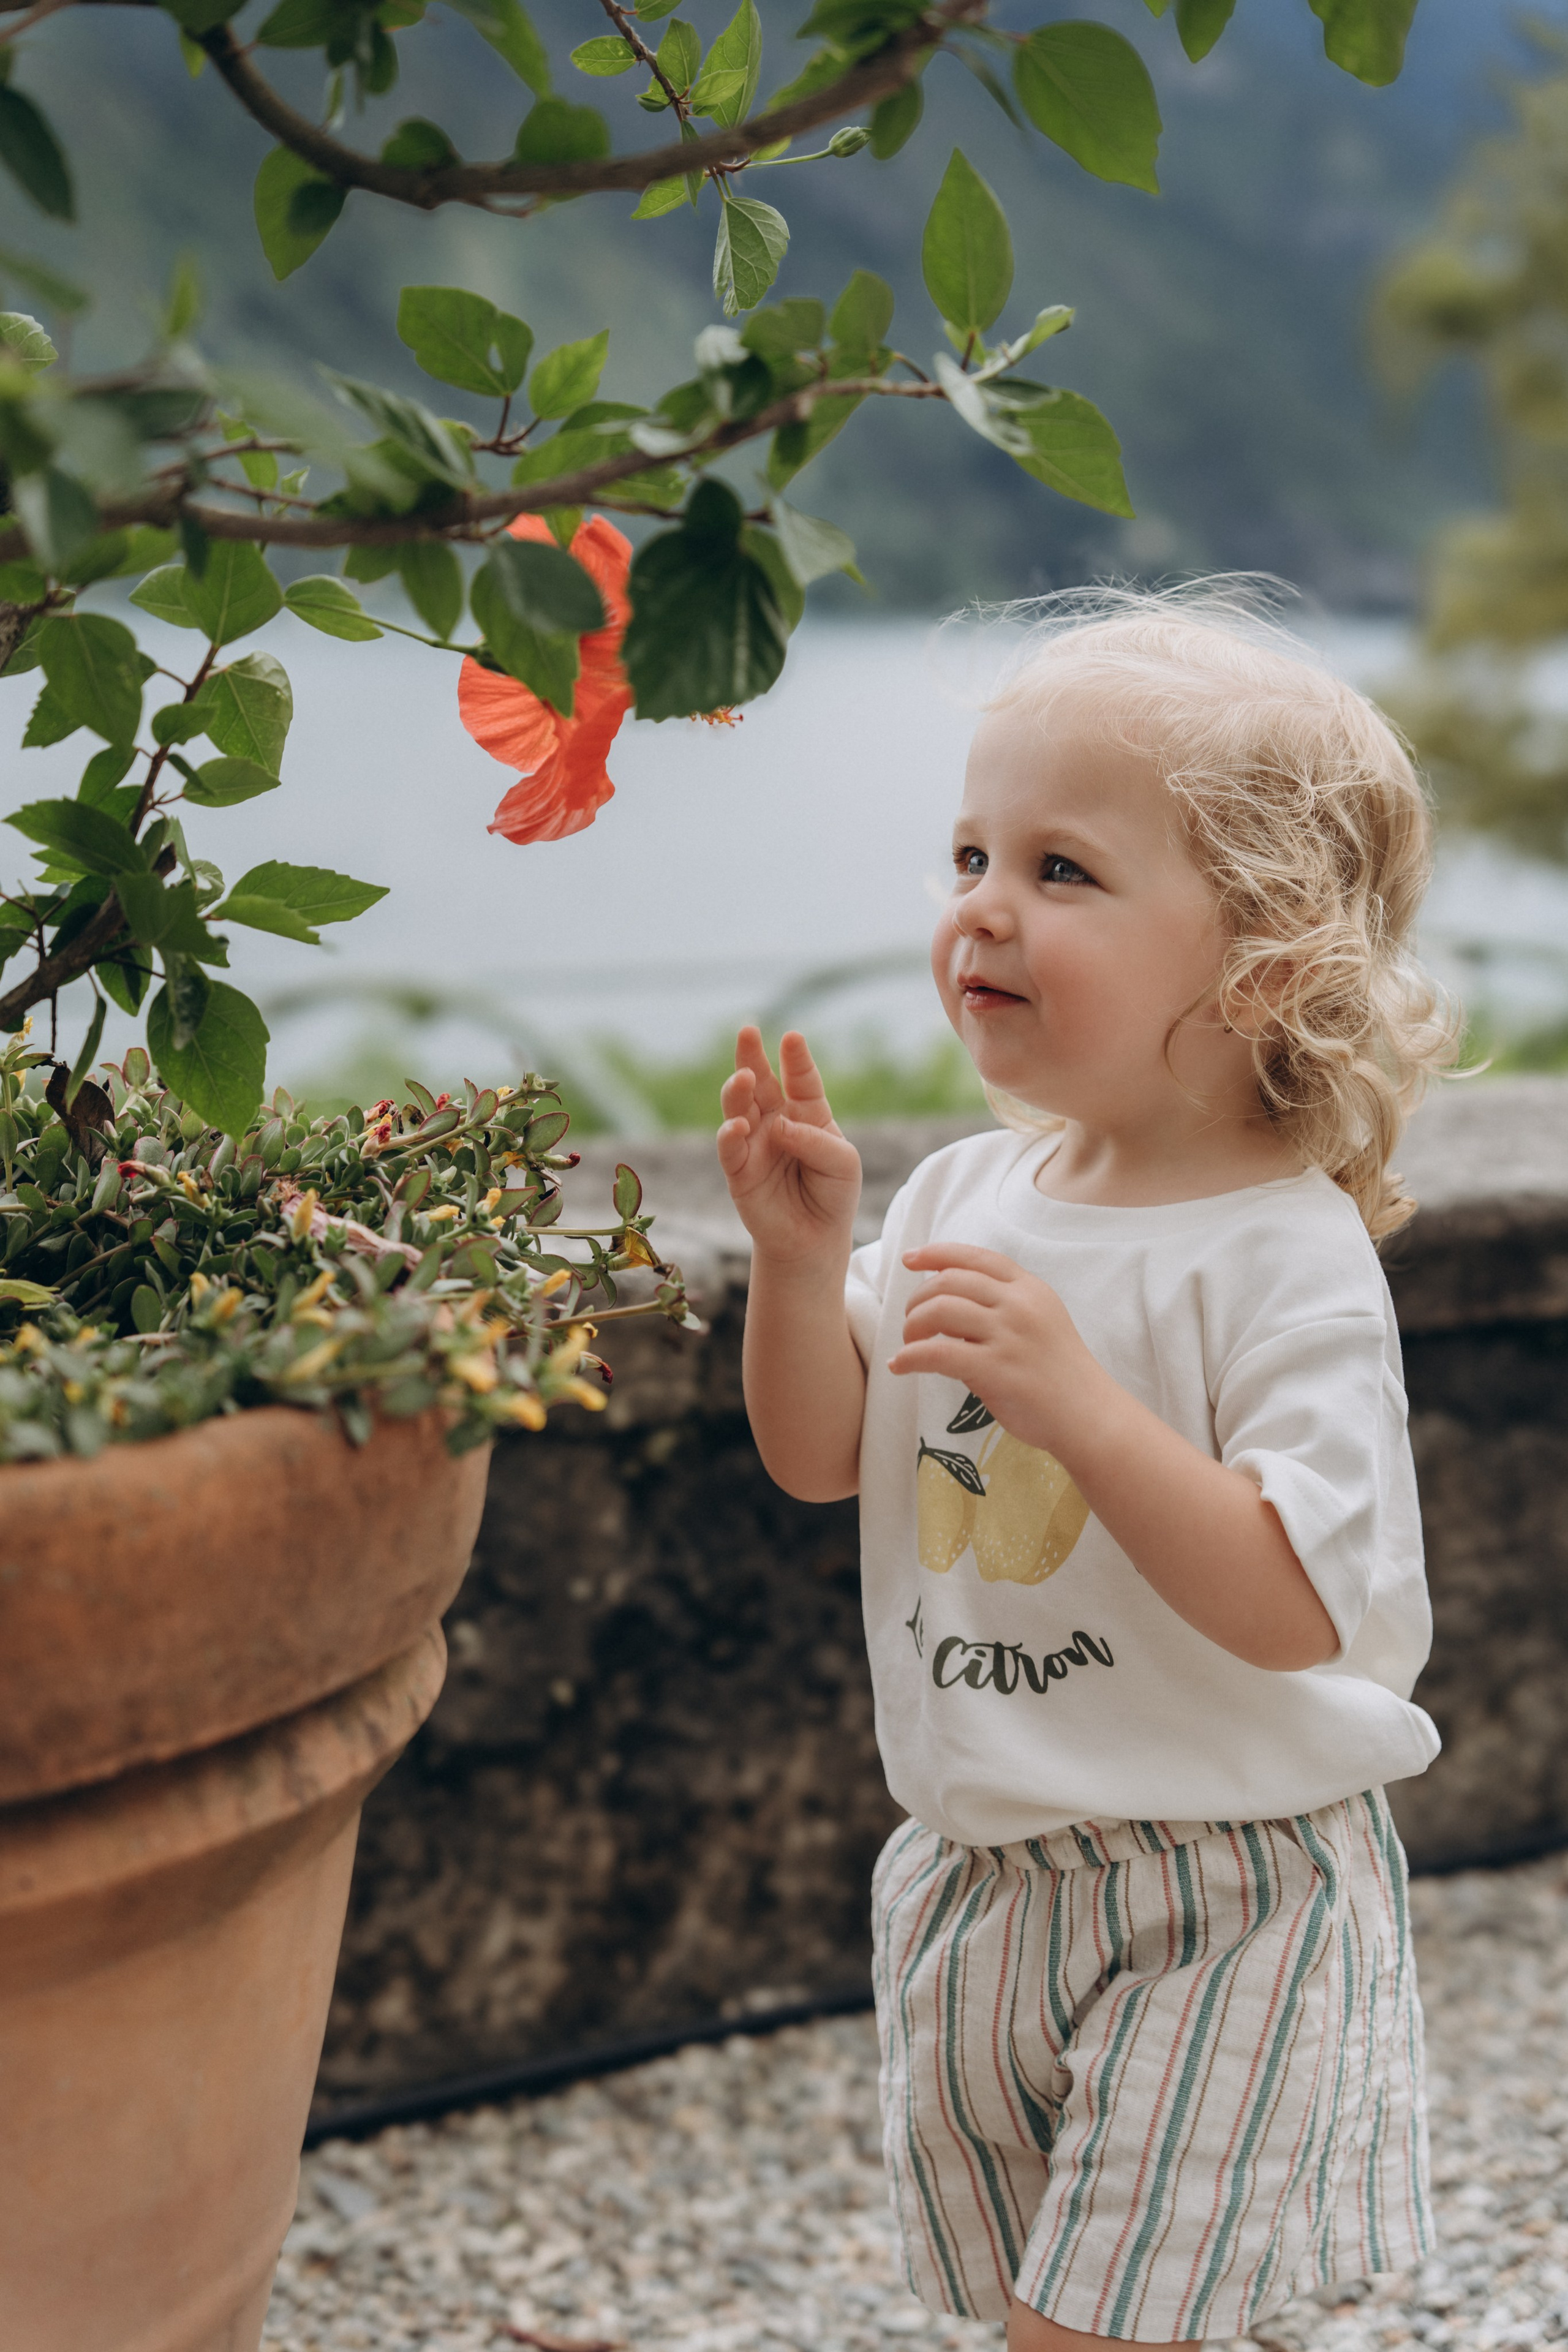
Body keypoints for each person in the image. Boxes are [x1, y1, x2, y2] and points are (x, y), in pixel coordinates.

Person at [714, 587, 1460, 2350]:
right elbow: (825, 1457)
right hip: (983, 1875)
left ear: (1263, 957)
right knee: (1077, 2311)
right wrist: (804, 1268)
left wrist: (1092, 1414)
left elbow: (1302, 1609)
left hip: (1230, 1897)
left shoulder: (1283, 1257)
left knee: (1103, 2328)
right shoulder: (970, 1197)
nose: (982, 903)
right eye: (972, 850)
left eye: (1063, 870)